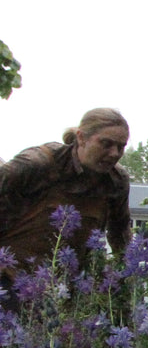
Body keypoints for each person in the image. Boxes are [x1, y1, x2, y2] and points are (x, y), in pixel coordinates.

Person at [0, 108, 133, 275]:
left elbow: (120, 235)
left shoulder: (116, 182)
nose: (114, 153)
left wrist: (127, 277)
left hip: (68, 287)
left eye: (121, 147)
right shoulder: (37, 164)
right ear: (81, 138)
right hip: (10, 279)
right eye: (106, 144)